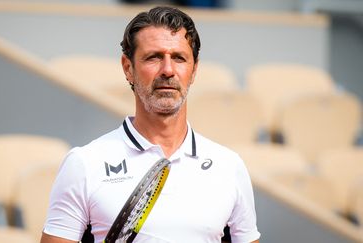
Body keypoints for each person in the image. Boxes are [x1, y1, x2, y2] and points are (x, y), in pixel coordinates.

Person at [41, 6, 261, 243]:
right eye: (154, 57)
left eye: (179, 58)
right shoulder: (84, 164)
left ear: (194, 69)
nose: (168, 70)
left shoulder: (229, 166)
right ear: (128, 68)